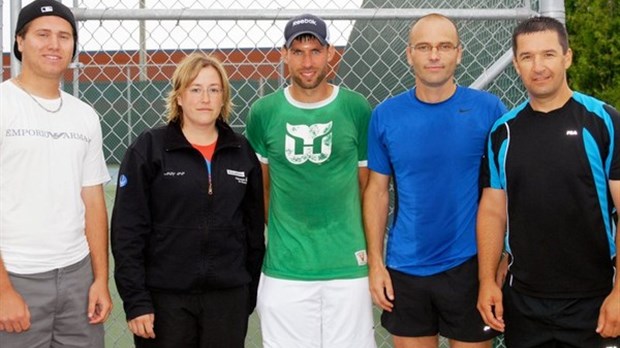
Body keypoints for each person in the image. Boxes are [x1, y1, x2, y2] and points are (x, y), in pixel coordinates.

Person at [364, 13, 507, 348]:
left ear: (459, 53)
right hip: (405, 266)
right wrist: (376, 263)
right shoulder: (385, 115)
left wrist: (505, 256)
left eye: (444, 46)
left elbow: (506, 191)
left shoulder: (489, 110)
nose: (434, 55)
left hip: (470, 266)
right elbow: (377, 192)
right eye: (424, 47)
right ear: (408, 54)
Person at [476, 16, 620, 347]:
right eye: (527, 57)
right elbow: (493, 211)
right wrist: (486, 280)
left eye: (548, 54)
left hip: (595, 301)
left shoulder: (603, 122)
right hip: (524, 303)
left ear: (567, 57)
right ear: (516, 64)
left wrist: (619, 293)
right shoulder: (503, 131)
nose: (538, 66)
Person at [111, 52, 265, 348]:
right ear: (179, 96)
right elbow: (127, 231)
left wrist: (247, 291)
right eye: (195, 89)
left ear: (223, 98)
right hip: (164, 299)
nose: (205, 98)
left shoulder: (241, 151)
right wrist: (137, 301)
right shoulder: (149, 149)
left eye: (213, 89)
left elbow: (253, 231)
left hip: (227, 299)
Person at [245, 13, 376, 348]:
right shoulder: (264, 112)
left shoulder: (355, 108)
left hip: (347, 267)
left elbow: (364, 188)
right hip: (285, 269)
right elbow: (263, 189)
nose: (307, 61)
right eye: (298, 51)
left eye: (315, 51)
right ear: (284, 54)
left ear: (330, 53)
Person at [0, 0, 112, 347]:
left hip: (77, 277)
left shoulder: (85, 116)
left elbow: (93, 201)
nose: (54, 44)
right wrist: (3, 289)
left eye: (64, 36)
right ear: (19, 41)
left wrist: (99, 280)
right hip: (16, 276)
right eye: (42, 34)